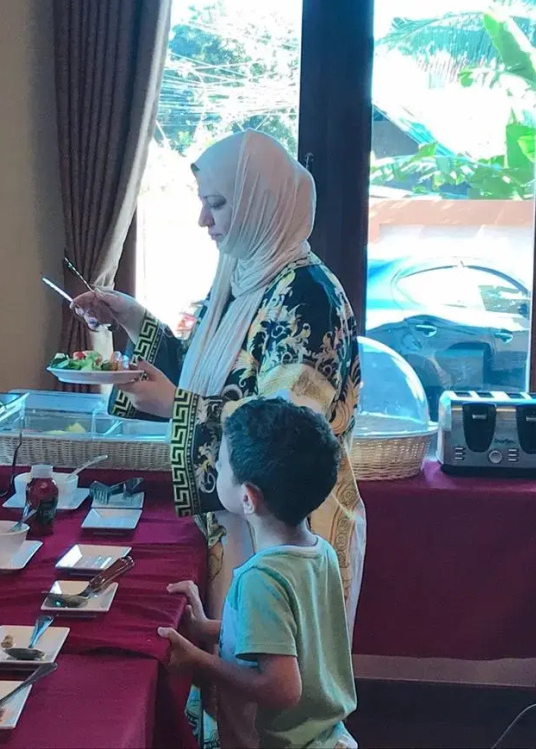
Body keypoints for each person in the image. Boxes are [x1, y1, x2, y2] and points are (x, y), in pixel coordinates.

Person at [70, 130, 365, 620]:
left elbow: (288, 434)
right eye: (204, 202)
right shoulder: (243, 276)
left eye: (218, 204)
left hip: (288, 530)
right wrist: (131, 317)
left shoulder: (307, 296)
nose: (203, 219)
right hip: (237, 518)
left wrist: (176, 406)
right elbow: (204, 372)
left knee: (275, 659)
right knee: (235, 652)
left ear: (260, 204)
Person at [159, 398, 357, 749]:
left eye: (221, 465)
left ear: (248, 498)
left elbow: (282, 688)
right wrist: (207, 628)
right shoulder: (319, 552)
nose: (216, 468)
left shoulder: (260, 579)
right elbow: (291, 640)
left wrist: (200, 660)